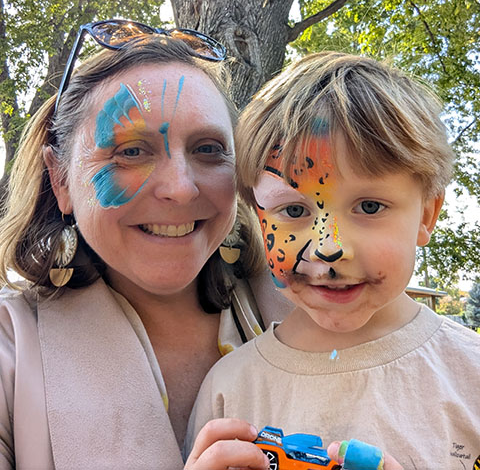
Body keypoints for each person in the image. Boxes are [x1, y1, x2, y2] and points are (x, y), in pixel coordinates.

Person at [0, 19, 294, 470]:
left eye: (209, 149)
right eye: (131, 151)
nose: (180, 188)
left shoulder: (321, 317)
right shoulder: (10, 350)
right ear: (60, 179)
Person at [186, 51, 480, 468]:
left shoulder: (471, 376)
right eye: (293, 211)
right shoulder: (229, 391)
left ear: (426, 215)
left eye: (371, 207)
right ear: (257, 216)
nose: (329, 248)